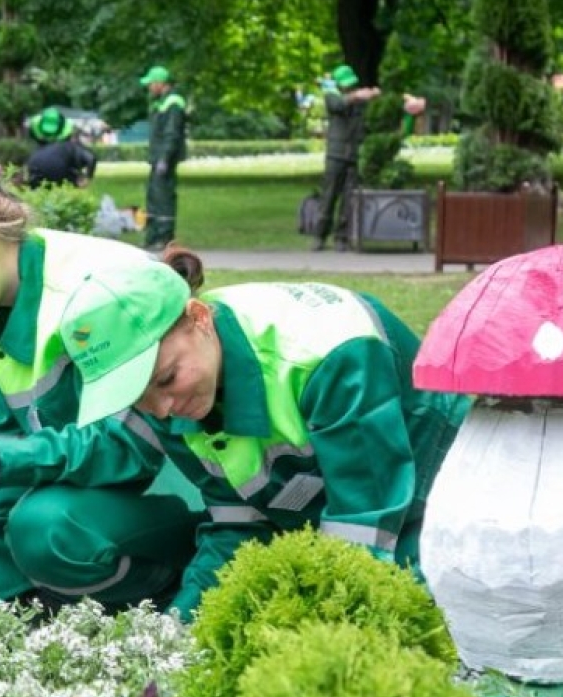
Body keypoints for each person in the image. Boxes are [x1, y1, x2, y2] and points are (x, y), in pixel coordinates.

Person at [0, 155, 206, 613]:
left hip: (170, 481)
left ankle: (155, 586)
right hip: (83, 466)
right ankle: (9, 596)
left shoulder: (90, 295)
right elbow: (2, 439)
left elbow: (125, 448)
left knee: (44, 526)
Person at [56, 254, 468, 618]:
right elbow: (238, 522)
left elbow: (362, 531)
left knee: (441, 609)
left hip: (433, 491)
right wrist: (178, 629)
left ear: (200, 318)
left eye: (166, 378)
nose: (161, 409)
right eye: (137, 397)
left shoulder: (329, 355)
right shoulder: (184, 389)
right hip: (321, 509)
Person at [311, 65, 380, 252]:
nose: (349, 88)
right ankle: (319, 235)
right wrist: (358, 96)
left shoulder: (359, 99)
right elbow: (338, 105)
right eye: (346, 85)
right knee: (329, 195)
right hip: (336, 153)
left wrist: (375, 95)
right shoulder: (331, 95)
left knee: (349, 199)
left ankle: (341, 237)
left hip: (354, 153)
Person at [139, 66, 187, 251]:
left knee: (164, 198)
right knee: (153, 197)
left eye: (151, 83)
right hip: (157, 158)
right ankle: (152, 236)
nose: (149, 87)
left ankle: (165, 238)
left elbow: (171, 134)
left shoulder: (173, 103)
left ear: (160, 83)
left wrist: (164, 159)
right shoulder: (160, 102)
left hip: (164, 159)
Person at [24, 107, 98, 188]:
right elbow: (91, 158)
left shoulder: (36, 149)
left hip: (35, 180)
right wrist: (87, 178)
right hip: (62, 179)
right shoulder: (71, 146)